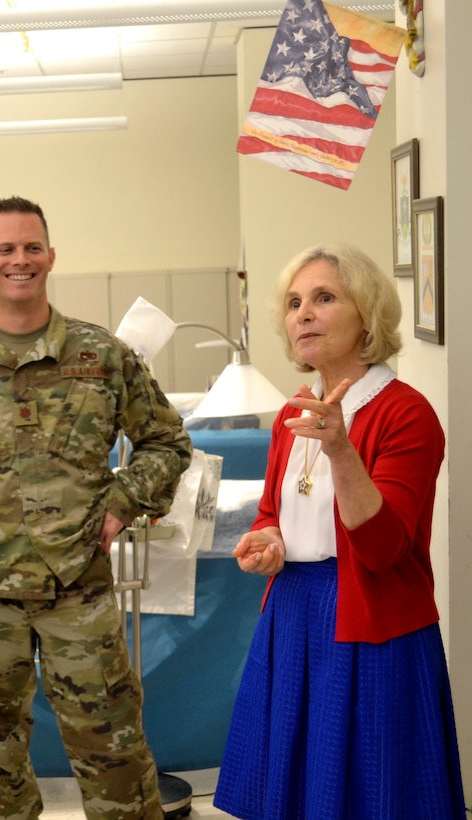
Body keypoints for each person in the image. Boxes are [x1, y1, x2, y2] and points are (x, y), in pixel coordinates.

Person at [0, 196, 193, 820]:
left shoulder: (101, 355)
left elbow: (167, 441)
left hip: (75, 587)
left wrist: (122, 501)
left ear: (51, 256)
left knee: (111, 745)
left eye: (32, 247)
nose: (20, 260)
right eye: (5, 249)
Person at [214, 244, 465, 818]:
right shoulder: (290, 413)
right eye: (295, 303)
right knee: (298, 793)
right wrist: (270, 540)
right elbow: (276, 511)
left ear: (367, 316)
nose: (303, 313)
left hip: (370, 624)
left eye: (324, 298)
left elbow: (383, 550)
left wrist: (341, 451)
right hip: (292, 614)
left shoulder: (407, 413)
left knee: (373, 794)